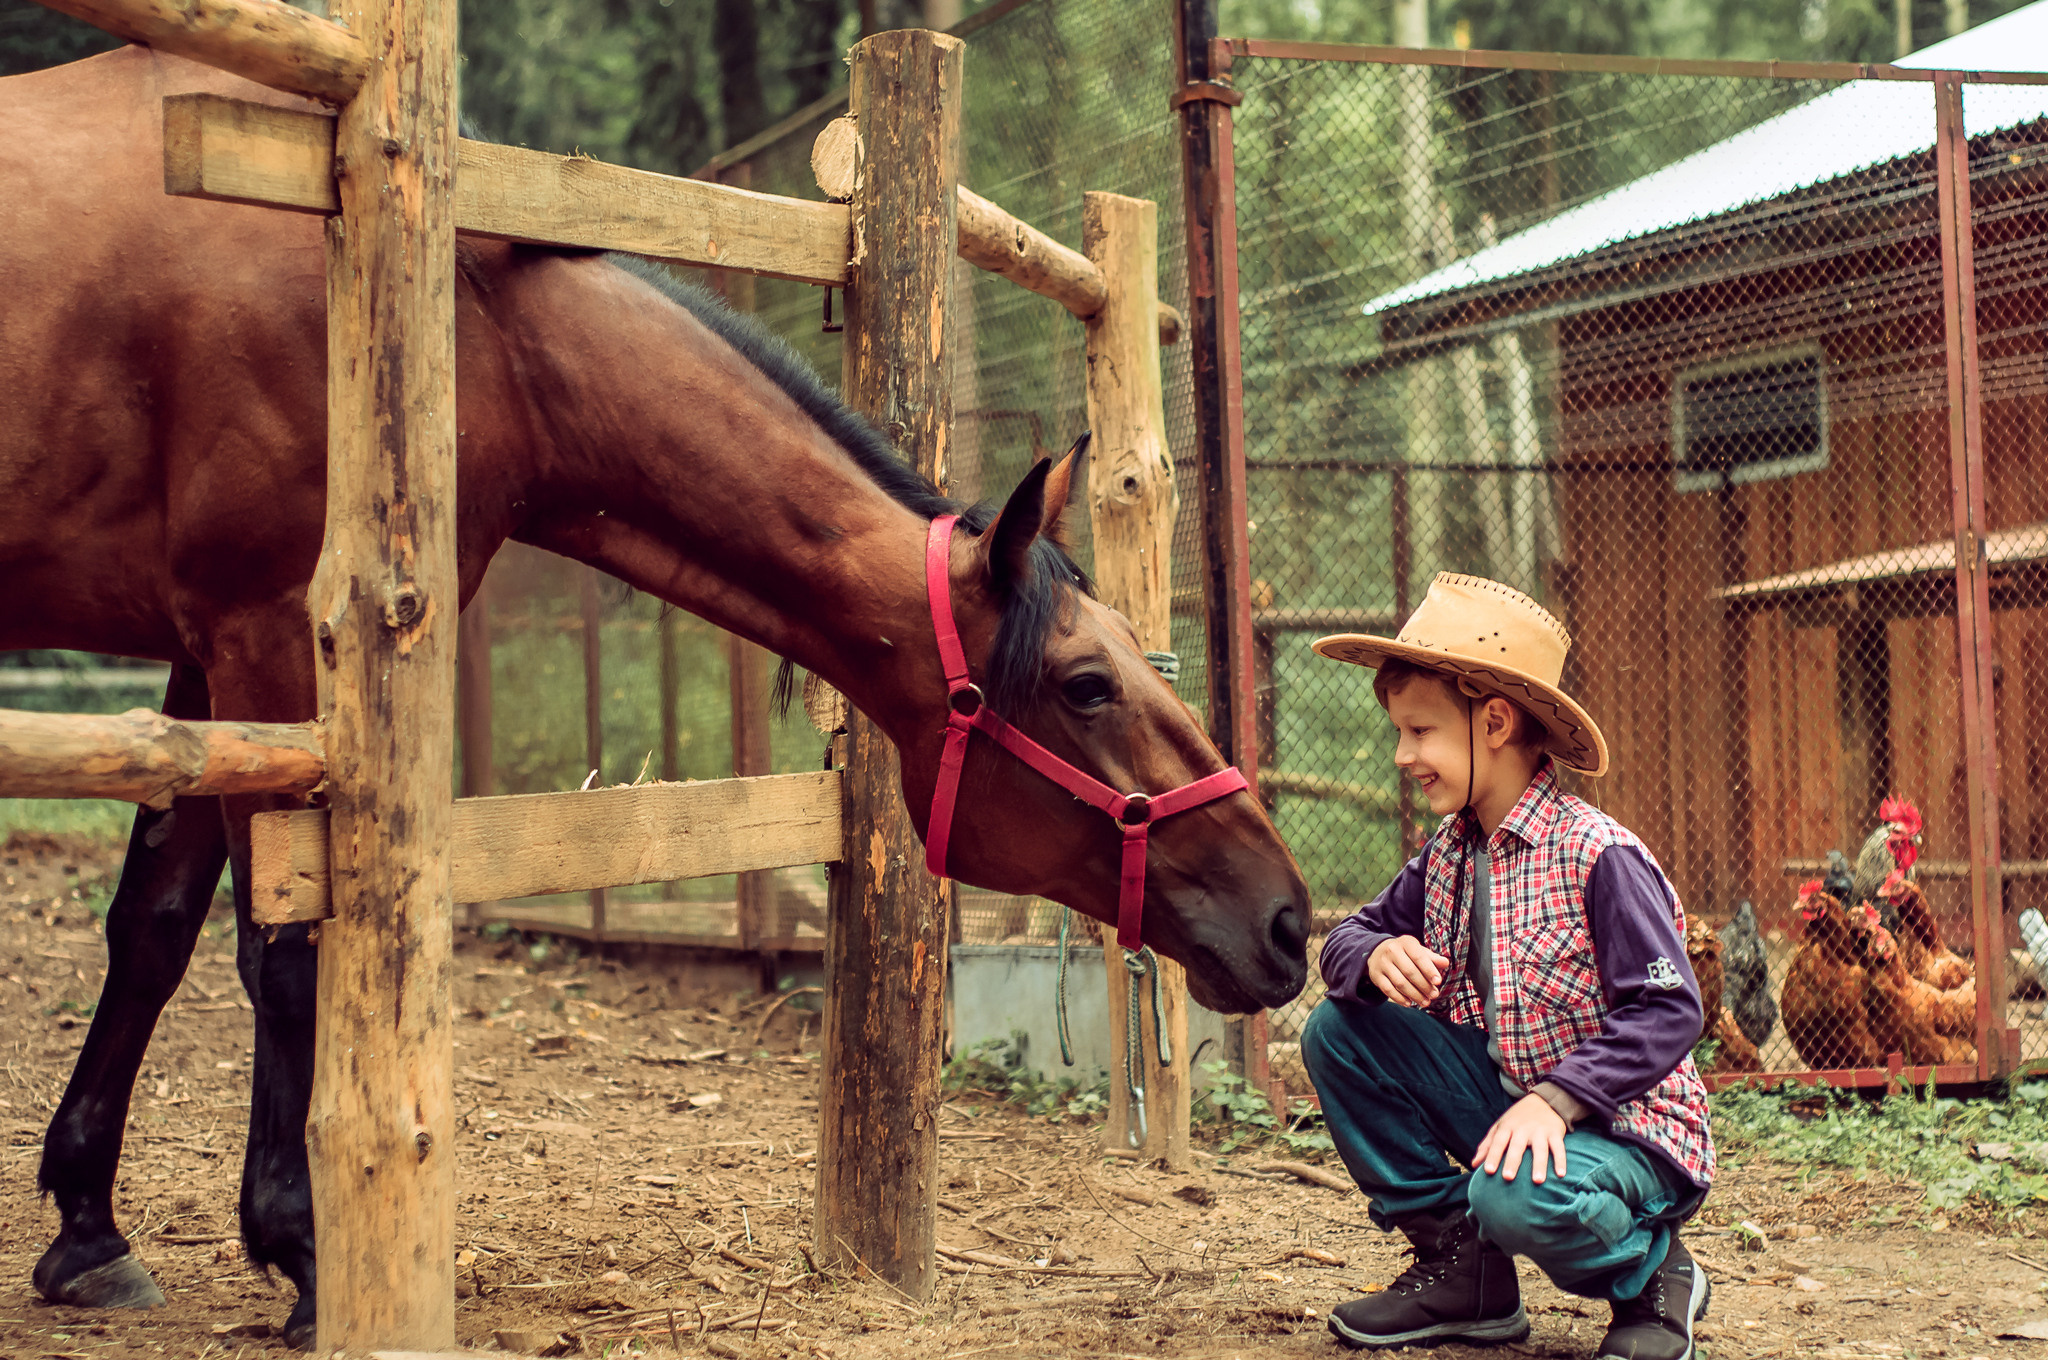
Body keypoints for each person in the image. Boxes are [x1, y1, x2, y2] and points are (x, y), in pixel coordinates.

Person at [1301, 573, 1713, 1359]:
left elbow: (1669, 1012)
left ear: (1492, 721)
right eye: (1399, 733)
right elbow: (1344, 940)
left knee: (1511, 1194)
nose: (1402, 754)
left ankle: (1653, 1276)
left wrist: (1557, 1101)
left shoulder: (1599, 856)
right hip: (1514, 1104)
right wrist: (1378, 951)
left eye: (1419, 731)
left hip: (1627, 1131)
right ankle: (1466, 1272)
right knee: (1338, 1030)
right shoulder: (1450, 851)